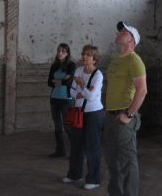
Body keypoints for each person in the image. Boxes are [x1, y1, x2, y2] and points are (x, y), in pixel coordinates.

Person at [104, 21, 147, 196]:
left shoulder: (134, 60)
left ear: (131, 39)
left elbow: (142, 90)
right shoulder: (115, 60)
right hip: (110, 116)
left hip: (124, 116)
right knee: (112, 160)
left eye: (123, 31)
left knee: (127, 162)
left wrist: (129, 114)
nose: (118, 33)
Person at [63, 44, 104, 190]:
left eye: (88, 55)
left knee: (92, 146)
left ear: (94, 59)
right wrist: (82, 89)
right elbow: (73, 92)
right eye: (83, 54)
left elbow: (92, 97)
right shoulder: (79, 70)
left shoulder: (98, 75)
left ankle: (94, 179)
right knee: (76, 145)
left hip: (93, 113)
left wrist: (81, 85)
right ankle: (74, 174)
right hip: (79, 111)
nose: (84, 57)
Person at [47, 43, 76, 157]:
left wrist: (58, 81)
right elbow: (49, 82)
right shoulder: (54, 66)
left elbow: (70, 81)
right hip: (54, 98)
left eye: (63, 51)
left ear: (67, 53)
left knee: (68, 126)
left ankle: (75, 151)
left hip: (66, 99)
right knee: (57, 127)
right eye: (59, 51)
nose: (60, 53)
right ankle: (60, 150)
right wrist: (63, 80)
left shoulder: (71, 65)